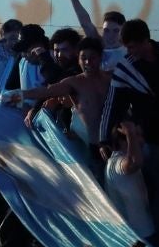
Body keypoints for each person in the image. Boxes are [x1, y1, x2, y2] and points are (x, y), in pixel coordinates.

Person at [99, 19, 159, 247]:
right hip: (146, 139)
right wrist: (104, 138)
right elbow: (112, 104)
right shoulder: (127, 66)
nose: (129, 52)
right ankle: (156, 246)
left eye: (132, 47)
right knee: (154, 193)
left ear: (146, 40)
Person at [21, 37, 112, 174]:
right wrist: (18, 94)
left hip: (116, 146)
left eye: (92, 58)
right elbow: (47, 91)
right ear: (78, 58)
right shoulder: (74, 82)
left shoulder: (112, 79)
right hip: (91, 148)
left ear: (100, 57)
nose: (88, 62)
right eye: (83, 58)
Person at [58, 0, 127, 69]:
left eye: (116, 31)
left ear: (123, 32)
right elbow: (85, 22)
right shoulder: (98, 45)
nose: (110, 35)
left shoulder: (129, 52)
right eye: (106, 30)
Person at [104, 122, 155, 240]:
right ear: (123, 141)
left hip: (141, 232)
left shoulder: (117, 159)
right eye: (137, 135)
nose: (141, 140)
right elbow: (135, 162)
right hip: (138, 236)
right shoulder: (117, 163)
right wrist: (130, 134)